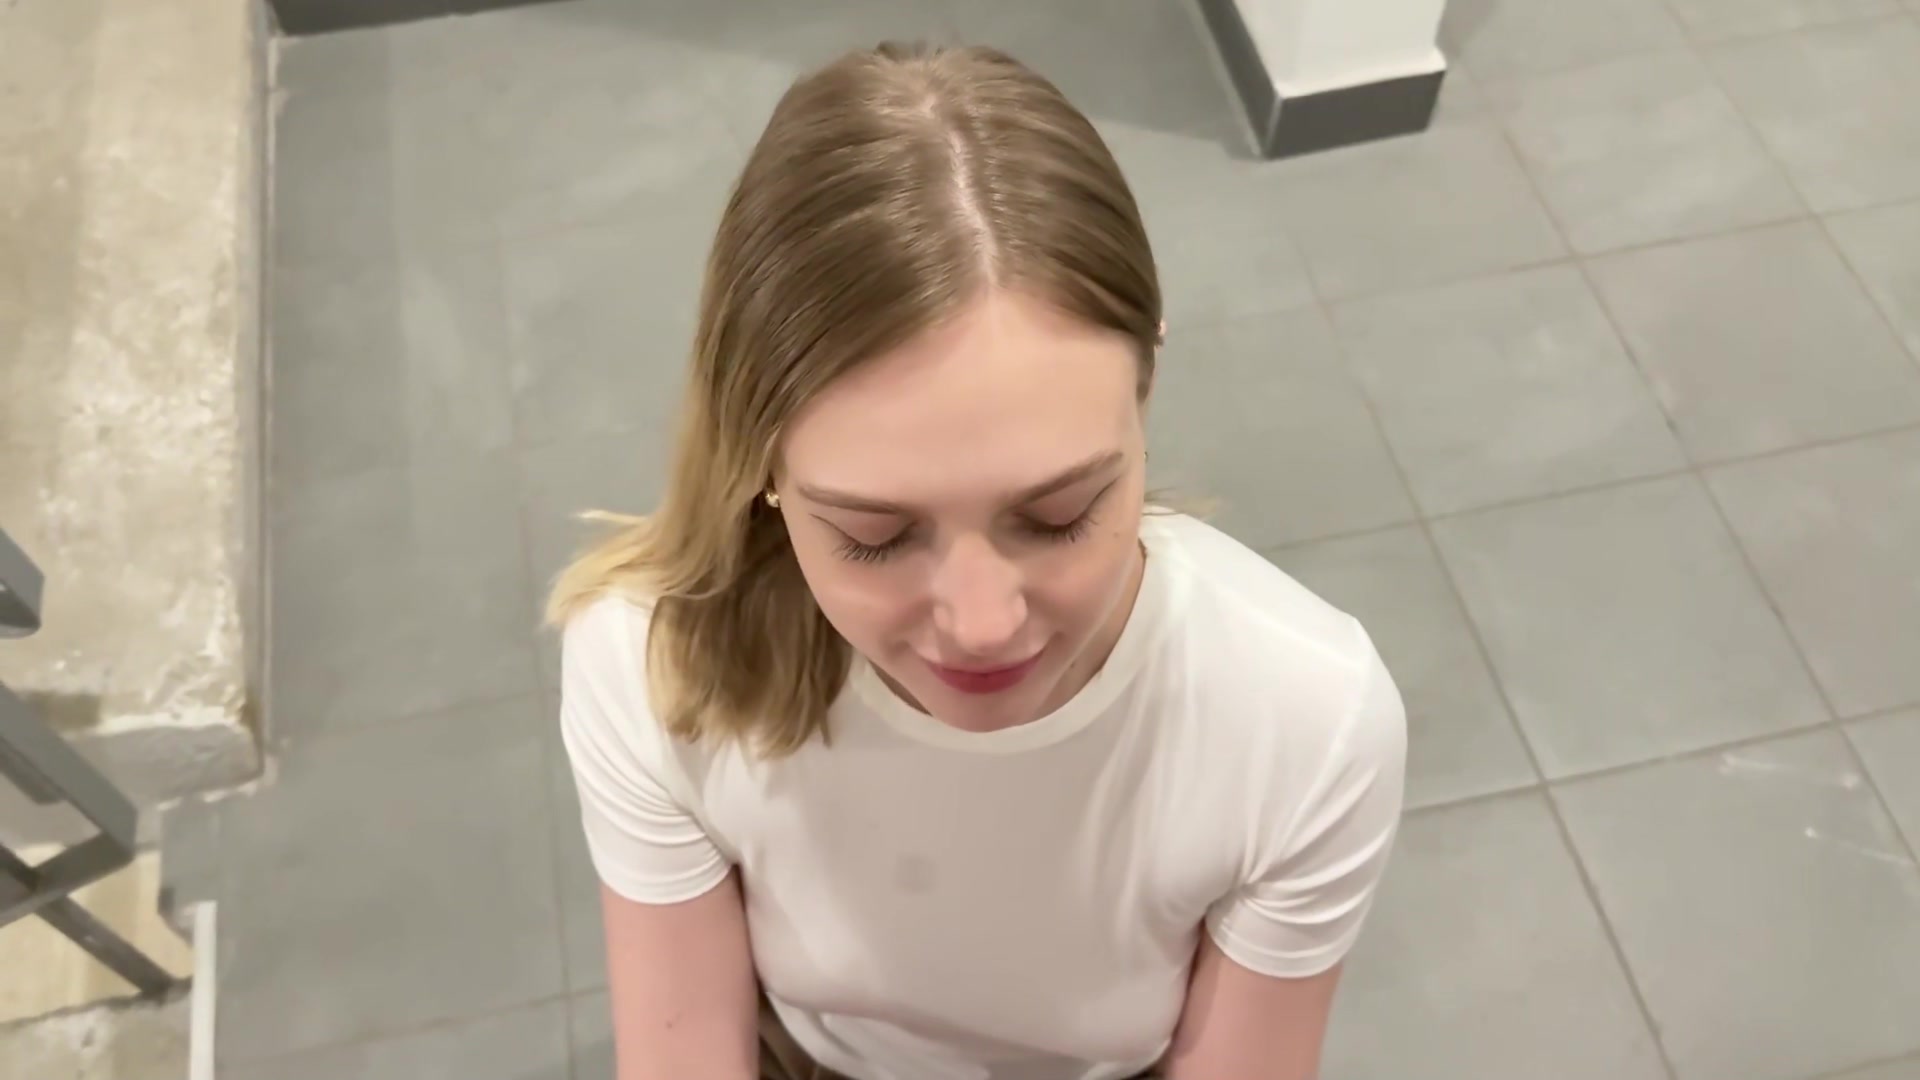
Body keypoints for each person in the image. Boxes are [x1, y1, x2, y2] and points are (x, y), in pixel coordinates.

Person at [549, 41, 1407, 1080]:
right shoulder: (655, 662)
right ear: (761, 460)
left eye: (1059, 515)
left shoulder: (1303, 716)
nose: (983, 624)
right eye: (874, 535)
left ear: (1145, 381)